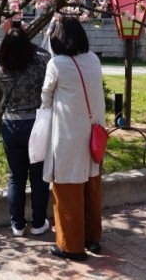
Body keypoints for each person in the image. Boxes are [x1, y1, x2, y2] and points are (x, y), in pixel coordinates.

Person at [41, 16, 106, 261]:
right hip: (93, 136)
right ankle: (92, 238)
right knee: (91, 188)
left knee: (67, 191)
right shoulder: (94, 59)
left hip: (68, 138)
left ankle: (71, 246)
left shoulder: (56, 64)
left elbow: (45, 99)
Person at [0, 19, 52, 237]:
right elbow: (46, 54)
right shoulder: (39, 63)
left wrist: (10, 34)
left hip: (11, 124)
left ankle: (17, 224)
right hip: (36, 125)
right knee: (38, 176)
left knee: (15, 176)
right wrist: (24, 36)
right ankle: (38, 222)